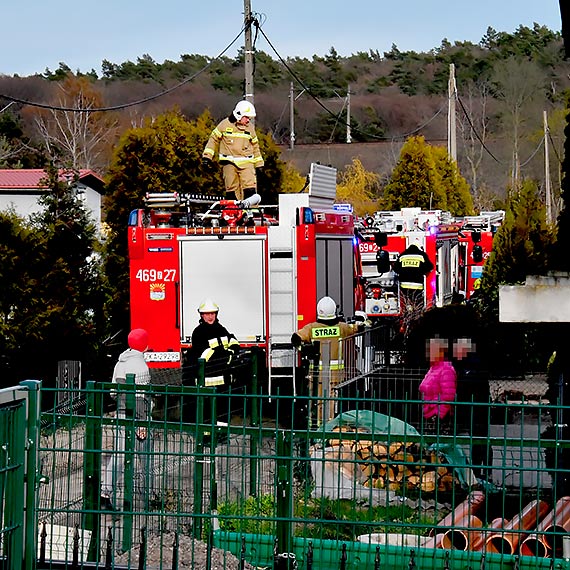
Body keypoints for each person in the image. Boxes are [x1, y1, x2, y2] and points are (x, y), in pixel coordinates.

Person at [101, 328, 152, 511]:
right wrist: (142, 422)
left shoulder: (120, 362)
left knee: (119, 454)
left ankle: (105, 493)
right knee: (145, 457)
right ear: (144, 344)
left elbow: (114, 392)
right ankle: (147, 497)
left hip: (121, 413)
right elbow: (141, 395)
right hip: (137, 415)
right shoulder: (142, 367)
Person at [291, 296, 361, 424]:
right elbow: (357, 328)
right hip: (336, 375)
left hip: (316, 374)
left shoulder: (311, 328)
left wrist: (304, 349)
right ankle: (330, 430)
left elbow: (295, 338)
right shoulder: (342, 328)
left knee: (316, 402)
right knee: (332, 404)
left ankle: (315, 428)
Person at [202, 100, 264, 201]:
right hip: (229, 163)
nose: (248, 120)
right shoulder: (224, 125)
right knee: (231, 191)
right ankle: (233, 213)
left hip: (246, 163)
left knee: (250, 190)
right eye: (247, 117)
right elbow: (213, 140)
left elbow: (255, 146)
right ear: (239, 114)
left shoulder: (250, 129)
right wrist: (207, 157)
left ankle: (250, 212)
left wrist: (259, 165)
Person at [418, 334, 457, 435]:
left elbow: (448, 396)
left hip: (438, 415)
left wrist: (439, 414)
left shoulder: (446, 369)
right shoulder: (433, 368)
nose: (430, 353)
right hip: (430, 412)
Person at [393, 242, 434, 311]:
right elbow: (429, 267)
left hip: (404, 286)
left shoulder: (402, 255)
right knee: (417, 303)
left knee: (407, 302)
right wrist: (420, 270)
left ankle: (408, 311)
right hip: (417, 285)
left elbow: (396, 269)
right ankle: (417, 314)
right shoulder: (421, 255)